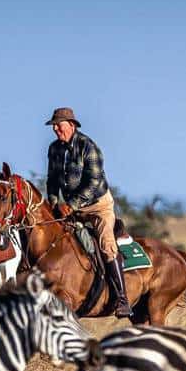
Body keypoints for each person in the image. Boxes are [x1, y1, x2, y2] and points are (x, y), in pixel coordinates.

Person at [44, 106, 130, 317]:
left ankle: (122, 299)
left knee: (106, 244)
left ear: (71, 125)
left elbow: (94, 182)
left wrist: (71, 204)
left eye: (59, 125)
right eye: (54, 126)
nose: (55, 129)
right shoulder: (54, 149)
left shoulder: (88, 147)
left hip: (98, 205)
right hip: (71, 207)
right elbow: (52, 180)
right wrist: (54, 203)